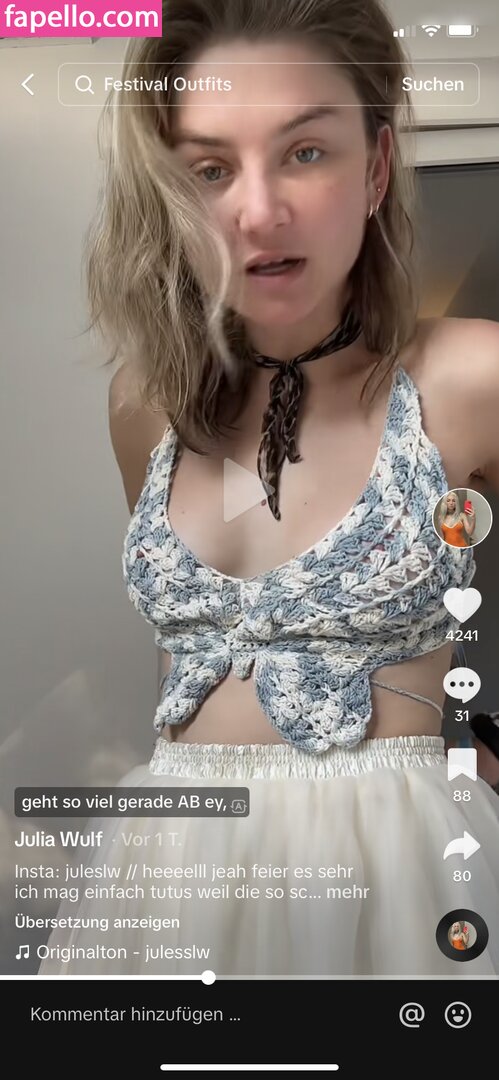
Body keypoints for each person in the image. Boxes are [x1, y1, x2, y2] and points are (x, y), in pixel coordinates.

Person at [38, 0, 499, 978]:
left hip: (395, 875)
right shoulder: (144, 404)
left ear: (375, 168)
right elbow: (181, 669)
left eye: (304, 152)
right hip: (171, 873)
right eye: (209, 168)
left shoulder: (471, 377)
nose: (257, 212)